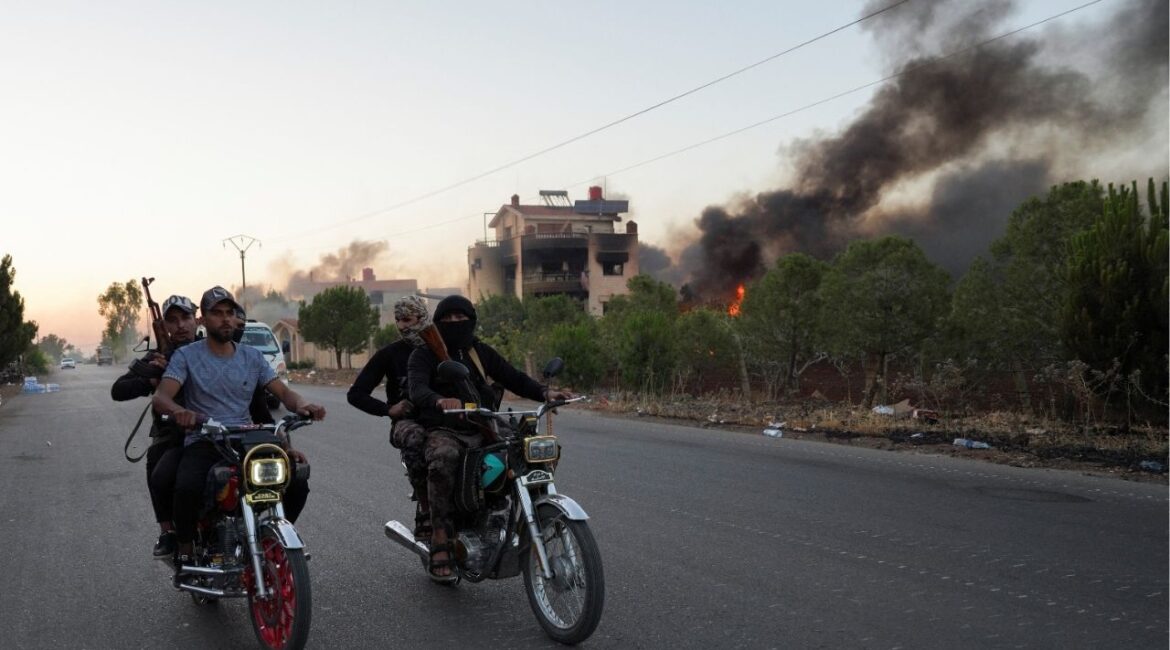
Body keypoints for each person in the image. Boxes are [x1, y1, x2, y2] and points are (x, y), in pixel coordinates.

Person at [152, 286, 325, 565]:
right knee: (185, 487)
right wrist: (180, 411)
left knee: (296, 481)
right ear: (203, 320)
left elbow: (283, 393)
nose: (225, 320)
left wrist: (303, 405)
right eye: (217, 313)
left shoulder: (252, 357)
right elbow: (162, 398)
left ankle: (270, 539)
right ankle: (184, 548)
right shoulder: (186, 356)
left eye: (230, 313)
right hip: (206, 439)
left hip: (247, 438)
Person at [407, 295, 571, 582]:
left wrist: (545, 393)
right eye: (448, 319)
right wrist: (439, 400)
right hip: (445, 428)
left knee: (528, 448)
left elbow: (513, 377)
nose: (456, 324)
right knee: (444, 458)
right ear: (438, 322)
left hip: (484, 424)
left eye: (461, 319)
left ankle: (513, 512)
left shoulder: (479, 351)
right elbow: (417, 389)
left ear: (471, 321)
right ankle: (441, 535)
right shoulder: (423, 354)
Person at [110, 294, 199, 558]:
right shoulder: (157, 356)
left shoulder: (209, 350)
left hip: (212, 431)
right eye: (172, 321)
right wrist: (154, 381)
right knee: (157, 470)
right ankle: (168, 532)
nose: (180, 326)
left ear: (197, 320)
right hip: (171, 434)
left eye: (186, 318)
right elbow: (119, 390)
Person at [347, 295, 432, 539]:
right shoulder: (390, 354)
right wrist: (388, 410)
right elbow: (356, 394)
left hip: (443, 417)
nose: (403, 326)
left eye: (408, 319)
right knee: (416, 441)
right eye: (399, 320)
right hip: (409, 423)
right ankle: (426, 508)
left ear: (422, 317)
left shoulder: (440, 348)